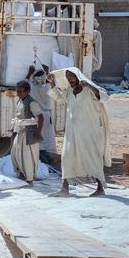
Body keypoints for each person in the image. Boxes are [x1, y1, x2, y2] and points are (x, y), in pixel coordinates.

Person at [47, 68, 111, 197]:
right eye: (67, 76)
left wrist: (90, 86)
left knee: (93, 158)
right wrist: (52, 83)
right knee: (66, 157)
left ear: (77, 76)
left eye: (71, 76)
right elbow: (58, 98)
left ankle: (100, 187)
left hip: (91, 131)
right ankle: (64, 188)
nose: (69, 79)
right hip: (72, 132)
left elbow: (105, 97)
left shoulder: (89, 90)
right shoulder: (69, 91)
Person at [11, 80, 45, 185]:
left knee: (27, 157)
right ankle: (21, 174)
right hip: (20, 132)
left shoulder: (32, 103)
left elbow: (41, 118)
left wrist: (38, 133)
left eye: (21, 92)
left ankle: (29, 179)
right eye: (18, 92)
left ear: (28, 91)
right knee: (16, 154)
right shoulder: (19, 101)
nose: (19, 94)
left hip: (29, 133)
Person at [26, 65, 59, 170]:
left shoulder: (31, 87)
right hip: (47, 116)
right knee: (48, 139)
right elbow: (54, 87)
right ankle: (49, 160)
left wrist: (30, 72)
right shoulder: (47, 87)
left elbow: (25, 82)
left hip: (37, 116)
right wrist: (47, 71)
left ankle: (42, 160)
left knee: (39, 139)